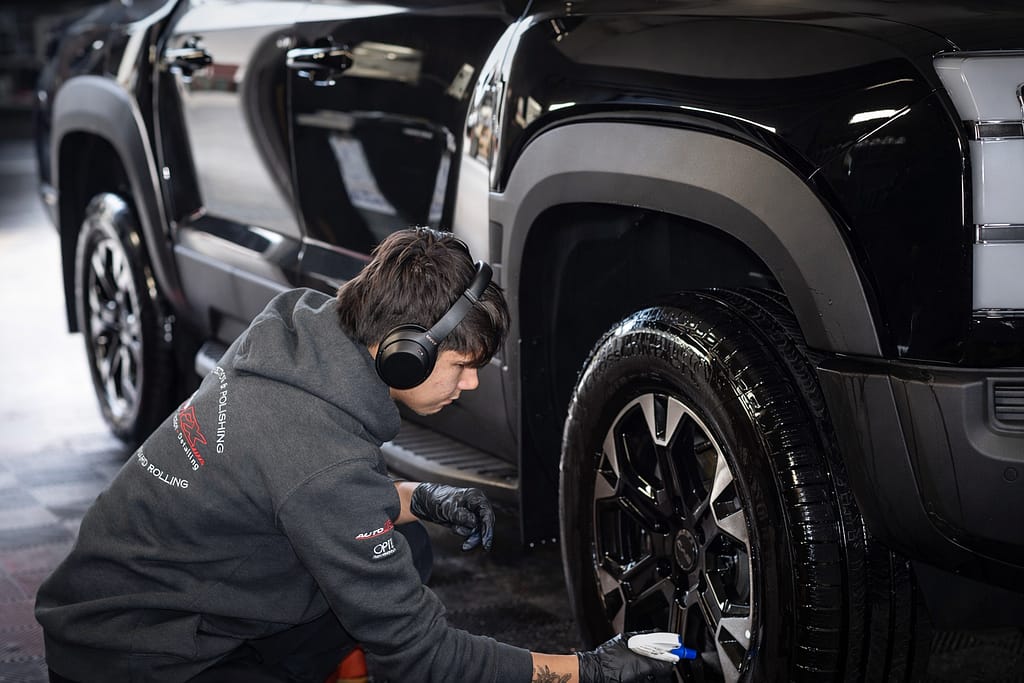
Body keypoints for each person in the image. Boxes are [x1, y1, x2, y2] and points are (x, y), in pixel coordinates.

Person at [35, 227, 674, 683]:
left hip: (141, 603)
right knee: (397, 618)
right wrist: (587, 671)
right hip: (135, 655)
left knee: (412, 546)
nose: (471, 382)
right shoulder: (319, 457)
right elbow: (425, 656)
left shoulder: (295, 338)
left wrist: (423, 498)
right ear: (405, 353)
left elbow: (298, 494)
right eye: (462, 365)